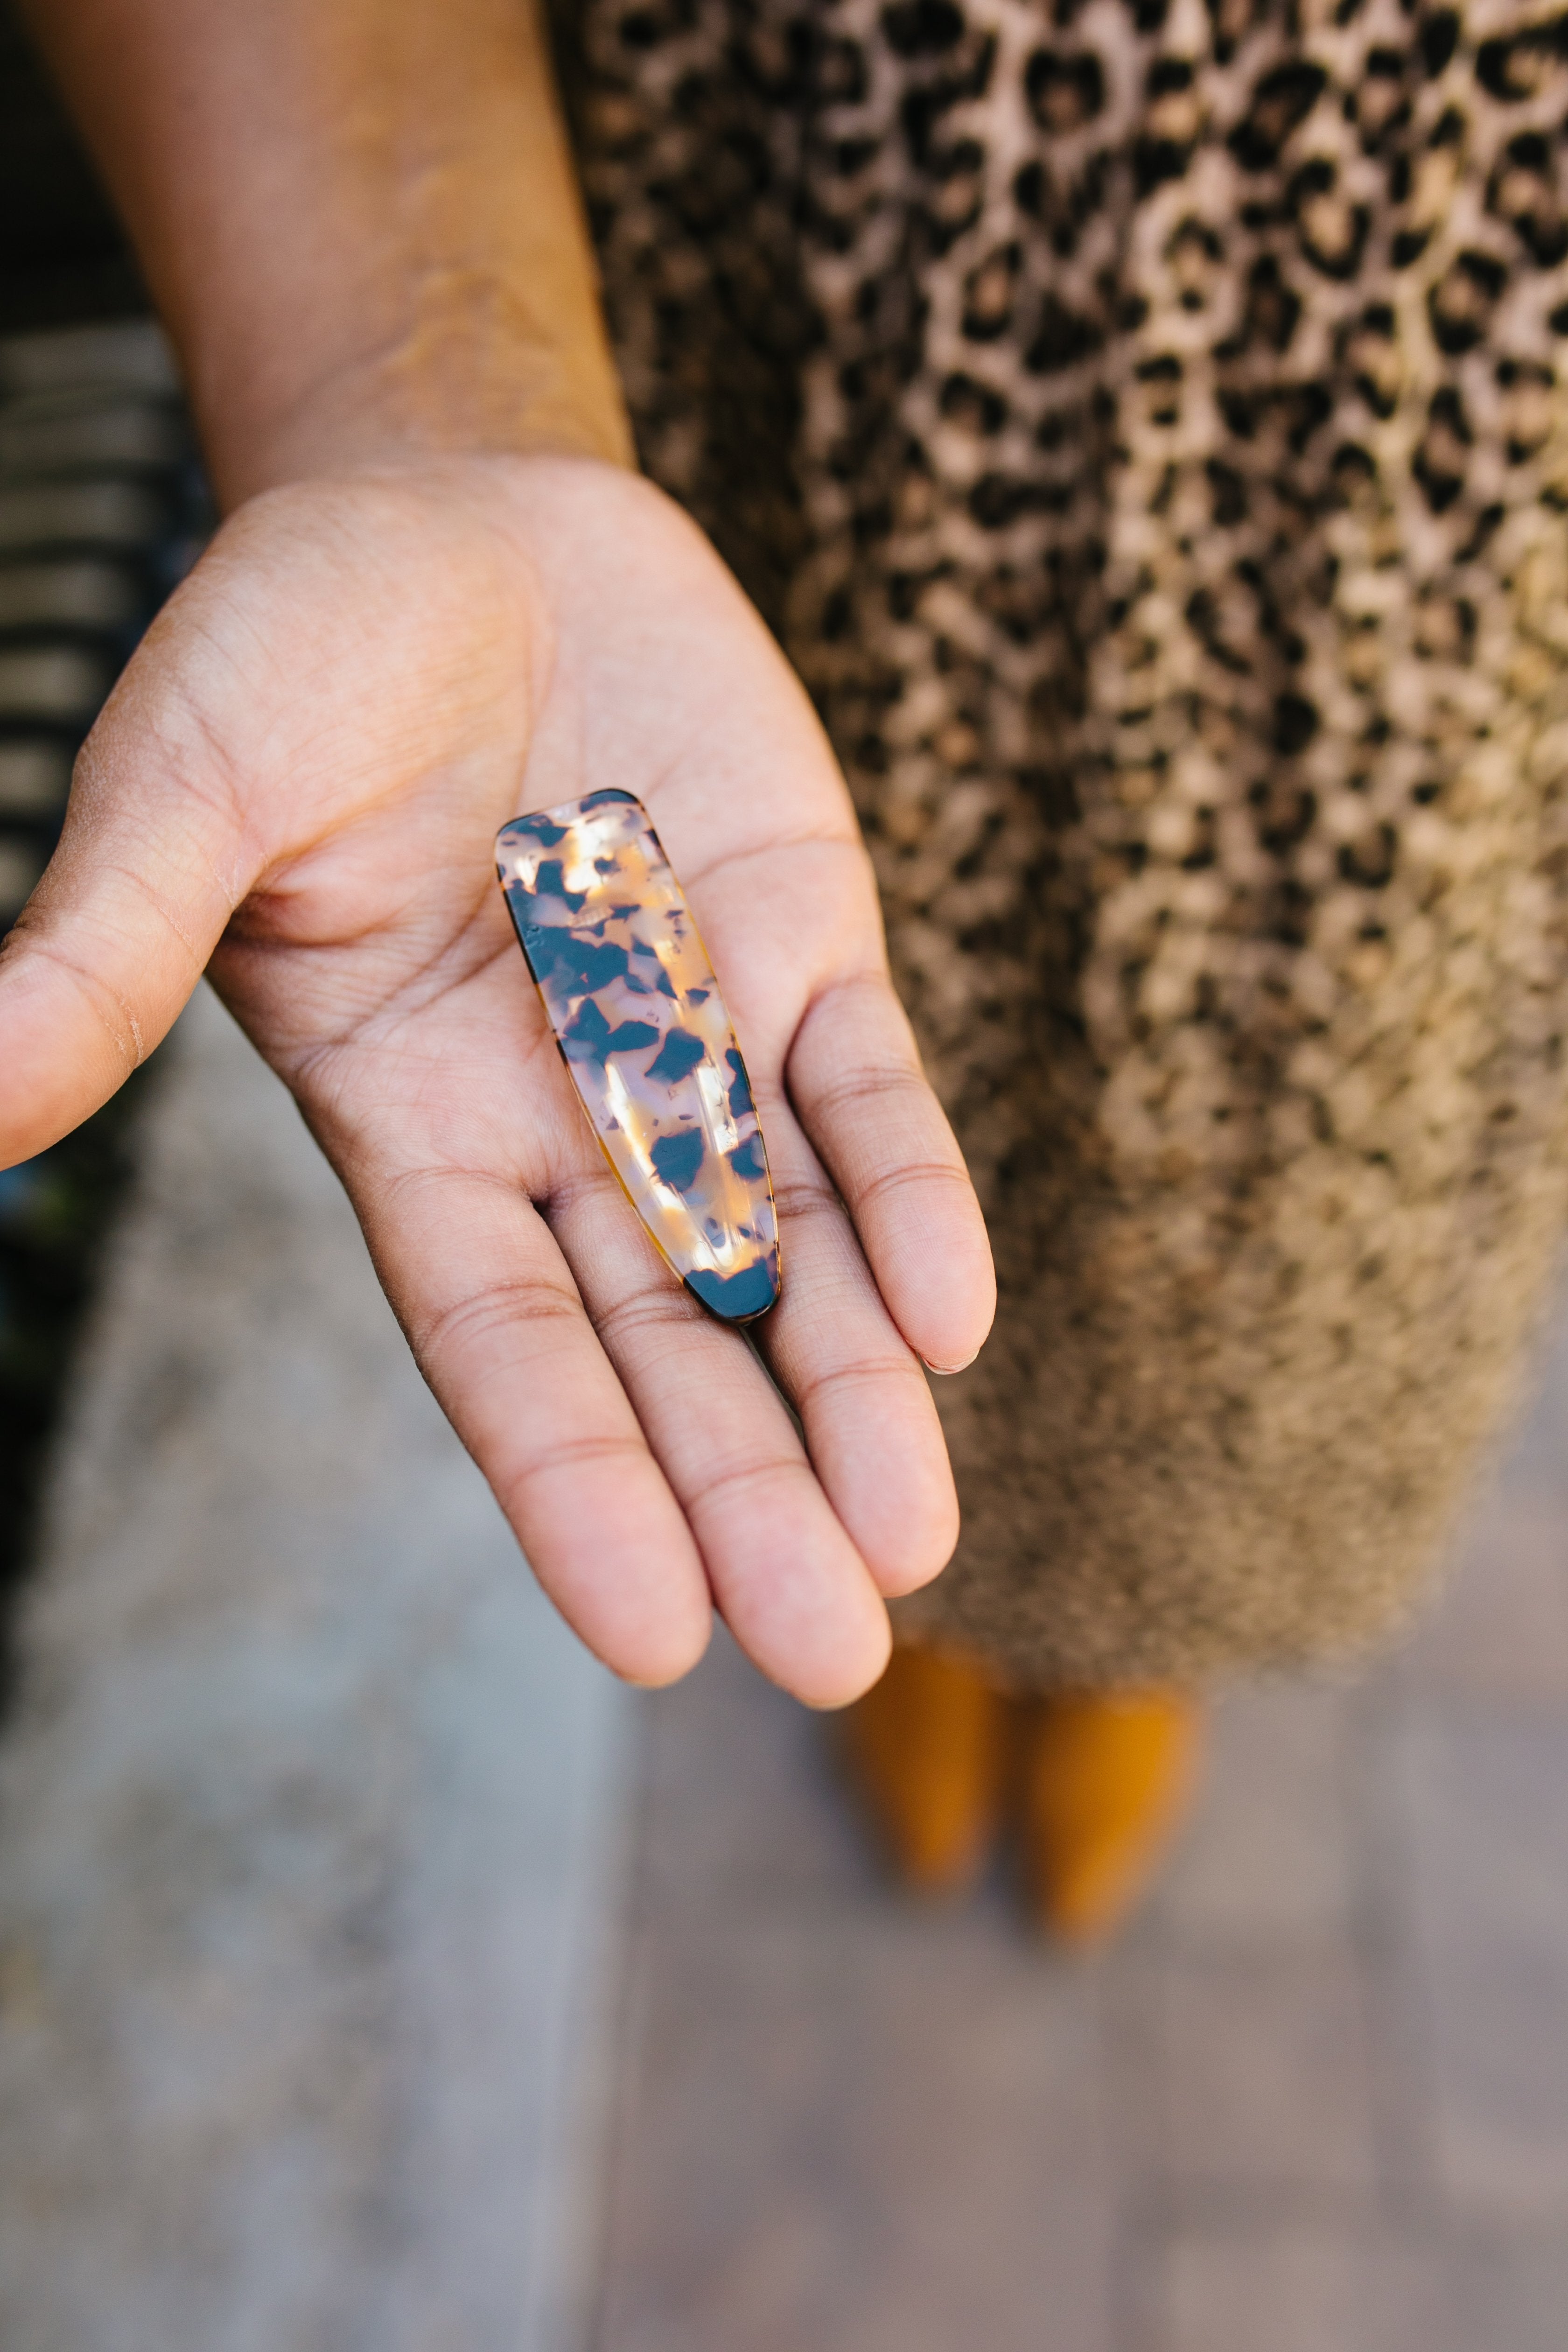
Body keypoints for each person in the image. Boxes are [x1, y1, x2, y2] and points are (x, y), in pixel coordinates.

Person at [6, 0, 1568, 1940]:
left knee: (1257, 1232)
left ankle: (1126, 1645)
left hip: (1437, 425)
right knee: (864, 1204)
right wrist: (423, 421)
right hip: (771, 329)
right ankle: (933, 1626)